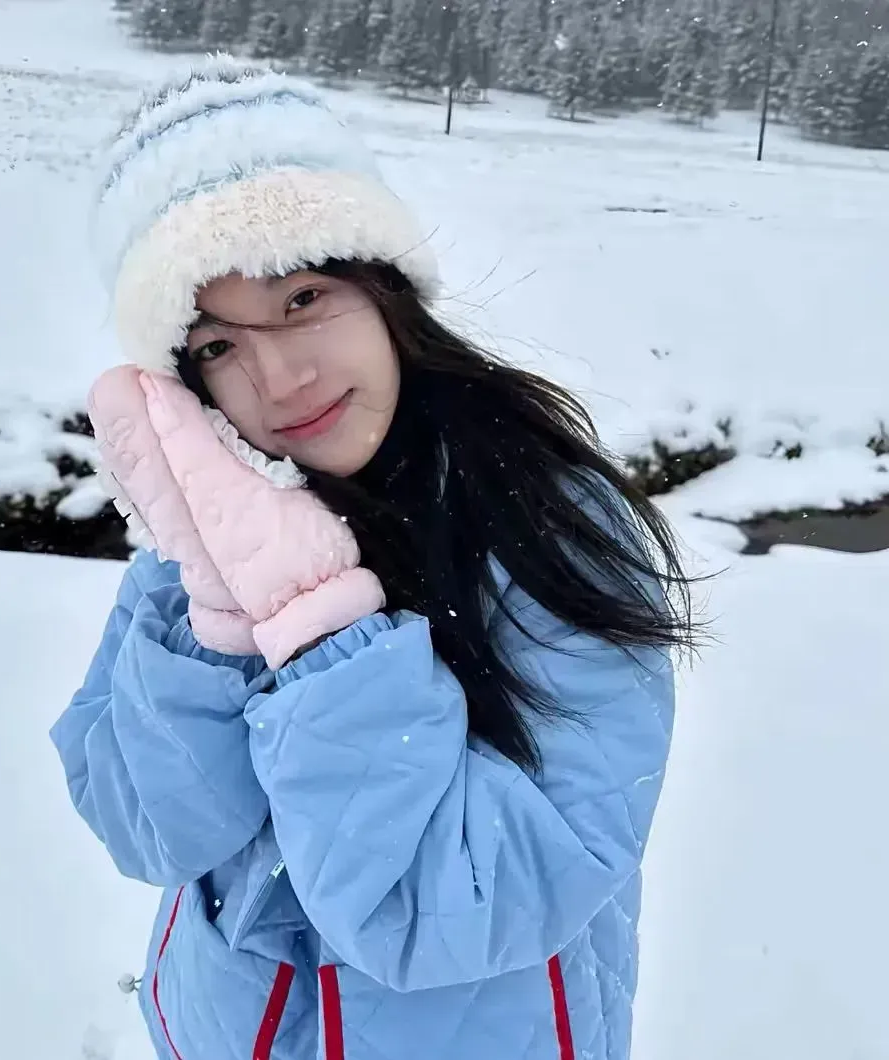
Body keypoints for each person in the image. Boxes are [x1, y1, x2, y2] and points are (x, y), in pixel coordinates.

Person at [51, 55, 696, 1060]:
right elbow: (150, 831)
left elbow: (453, 910)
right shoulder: (206, 538)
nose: (280, 376)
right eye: (217, 345)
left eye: (303, 297)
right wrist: (216, 609)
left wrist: (317, 628)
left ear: (386, 287)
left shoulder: (553, 528)